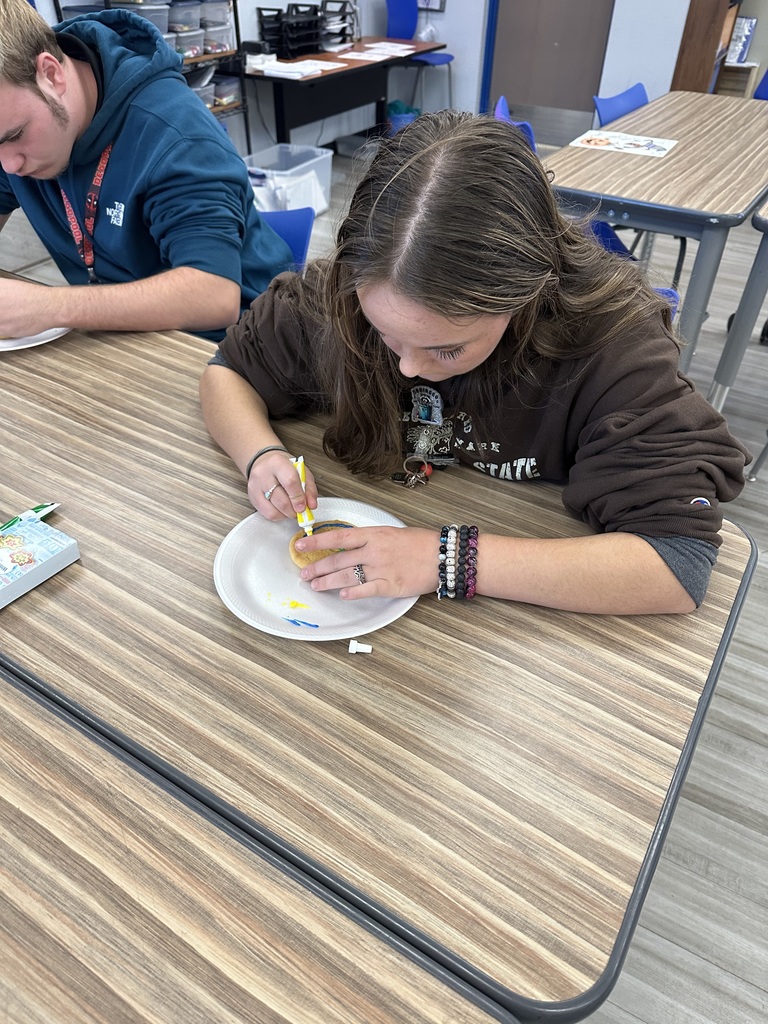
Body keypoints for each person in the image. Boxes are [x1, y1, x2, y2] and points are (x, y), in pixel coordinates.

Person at [199, 110, 750, 615]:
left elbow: (675, 565)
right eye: (385, 335)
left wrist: (448, 558)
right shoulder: (334, 302)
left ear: (525, 295)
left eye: (446, 349)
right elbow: (228, 373)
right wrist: (260, 454)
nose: (408, 369)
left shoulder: (612, 348)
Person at [0, 0, 292, 340]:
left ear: (51, 74)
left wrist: (49, 306)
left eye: (16, 136)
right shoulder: (12, 123)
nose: (9, 165)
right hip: (125, 338)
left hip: (240, 342)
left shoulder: (176, 137)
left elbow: (213, 294)